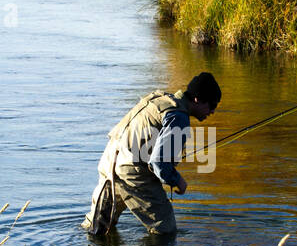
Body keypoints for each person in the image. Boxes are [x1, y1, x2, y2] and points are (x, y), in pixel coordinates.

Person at [82, 72, 221, 235]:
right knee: (165, 229)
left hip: (110, 159)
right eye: (212, 105)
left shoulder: (159, 98)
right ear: (197, 99)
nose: (212, 112)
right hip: (132, 171)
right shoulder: (179, 117)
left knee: (96, 228)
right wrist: (177, 180)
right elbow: (159, 163)